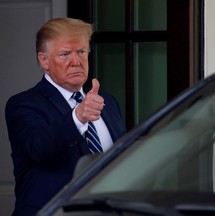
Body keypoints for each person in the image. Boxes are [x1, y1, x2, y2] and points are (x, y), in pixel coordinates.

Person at [5, 17, 126, 216]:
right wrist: (77, 117)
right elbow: (39, 148)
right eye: (65, 54)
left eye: (81, 52)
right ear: (44, 60)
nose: (75, 61)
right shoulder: (23, 104)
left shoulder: (107, 101)